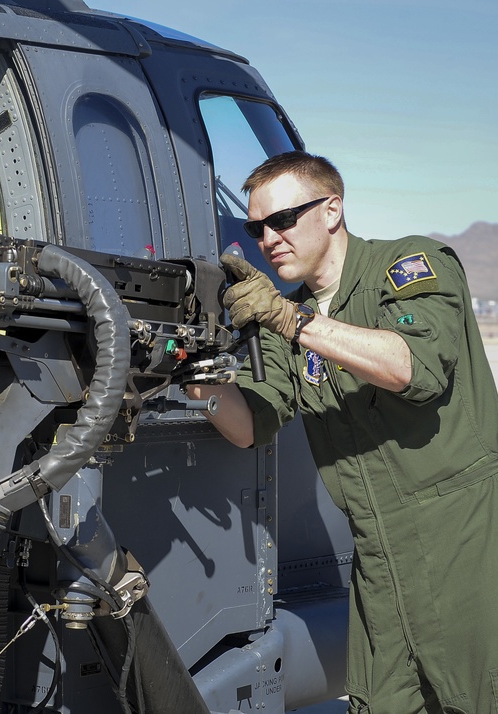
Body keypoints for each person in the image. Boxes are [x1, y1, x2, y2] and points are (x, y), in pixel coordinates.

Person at [188, 151, 498, 713]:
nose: (268, 239)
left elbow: (412, 368)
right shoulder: (290, 320)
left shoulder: (408, 266)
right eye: (256, 228)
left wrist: (293, 322)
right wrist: (197, 375)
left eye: (282, 220)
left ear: (332, 210)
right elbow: (251, 425)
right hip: (377, 558)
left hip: (466, 540)